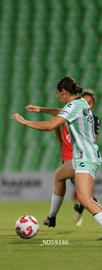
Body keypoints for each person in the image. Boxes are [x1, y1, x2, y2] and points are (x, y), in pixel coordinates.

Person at [11, 76, 102, 233]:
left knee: (85, 199)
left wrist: (25, 122)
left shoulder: (74, 105)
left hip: (84, 157)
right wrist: (42, 110)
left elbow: (50, 126)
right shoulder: (80, 103)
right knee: (59, 175)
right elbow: (61, 112)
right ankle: (51, 217)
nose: (57, 97)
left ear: (64, 92)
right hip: (85, 155)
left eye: (58, 93)